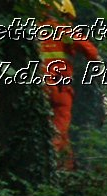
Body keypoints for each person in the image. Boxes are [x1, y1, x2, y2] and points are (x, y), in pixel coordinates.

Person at [38, 0, 98, 169]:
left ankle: (67, 168)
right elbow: (92, 52)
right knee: (59, 128)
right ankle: (51, 167)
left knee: (56, 131)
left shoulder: (32, 29)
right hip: (59, 89)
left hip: (37, 88)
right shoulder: (64, 29)